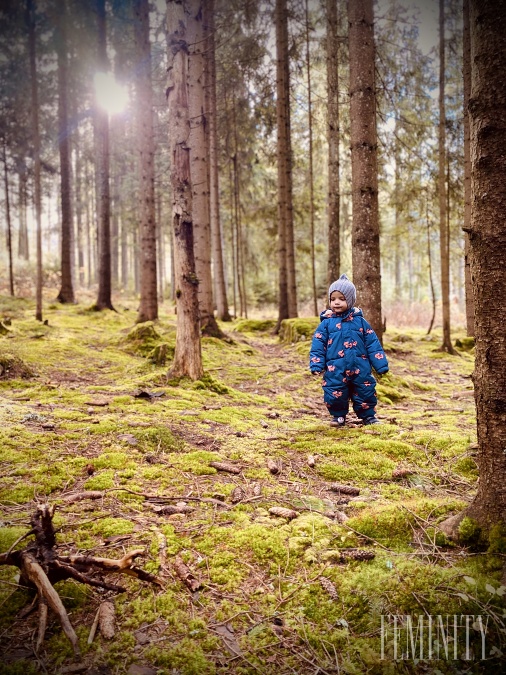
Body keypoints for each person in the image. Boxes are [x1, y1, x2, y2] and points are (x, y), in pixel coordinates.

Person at [309, 274, 389, 427]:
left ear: (350, 300)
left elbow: (373, 344)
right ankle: (338, 416)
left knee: (365, 389)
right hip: (335, 368)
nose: (336, 302)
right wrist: (316, 364)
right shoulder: (326, 324)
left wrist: (381, 365)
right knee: (334, 391)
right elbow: (318, 346)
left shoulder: (360, 322)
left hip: (361, 366)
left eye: (341, 298)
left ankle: (368, 416)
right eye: (333, 299)